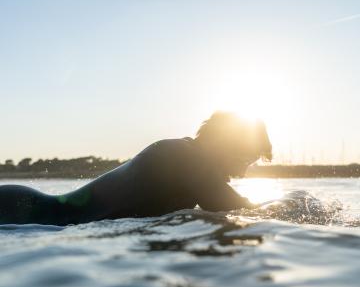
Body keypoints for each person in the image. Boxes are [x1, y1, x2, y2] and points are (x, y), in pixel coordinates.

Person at [0, 111, 272, 226]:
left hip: (32, 215)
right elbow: (228, 205)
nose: (242, 173)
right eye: (245, 160)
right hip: (24, 212)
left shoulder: (186, 157)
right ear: (228, 143)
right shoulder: (186, 156)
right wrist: (298, 207)